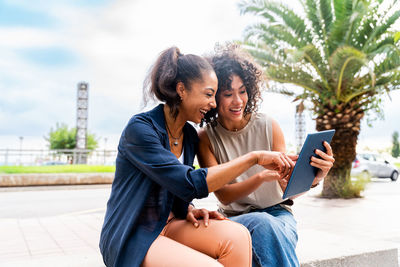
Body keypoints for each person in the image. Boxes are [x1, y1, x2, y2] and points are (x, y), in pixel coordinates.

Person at [99, 46, 295, 267]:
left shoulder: (190, 135)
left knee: (237, 236)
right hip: (135, 233)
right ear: (182, 90)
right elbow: (188, 183)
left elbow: (173, 189)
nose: (213, 103)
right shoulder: (141, 129)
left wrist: (189, 209)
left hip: (173, 223)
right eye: (209, 94)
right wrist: (254, 158)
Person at [198, 44, 335, 267]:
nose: (238, 101)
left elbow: (286, 188)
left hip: (279, 214)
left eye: (242, 91)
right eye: (228, 94)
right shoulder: (205, 138)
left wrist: (317, 177)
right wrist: (260, 177)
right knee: (262, 226)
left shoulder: (269, 125)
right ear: (214, 97)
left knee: (265, 238)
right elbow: (224, 196)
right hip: (234, 218)